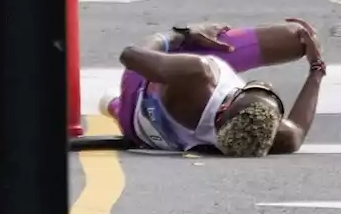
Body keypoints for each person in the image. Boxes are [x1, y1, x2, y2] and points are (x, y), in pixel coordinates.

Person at [105, 19, 325, 156]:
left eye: (254, 89)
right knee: (299, 37)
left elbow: (130, 55)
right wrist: (317, 70)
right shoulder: (259, 137)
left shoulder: (198, 75)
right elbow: (297, 131)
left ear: (225, 104)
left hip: (138, 89)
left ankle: (116, 104)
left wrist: (183, 34)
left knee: (175, 51)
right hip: (147, 128)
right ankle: (112, 105)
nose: (266, 84)